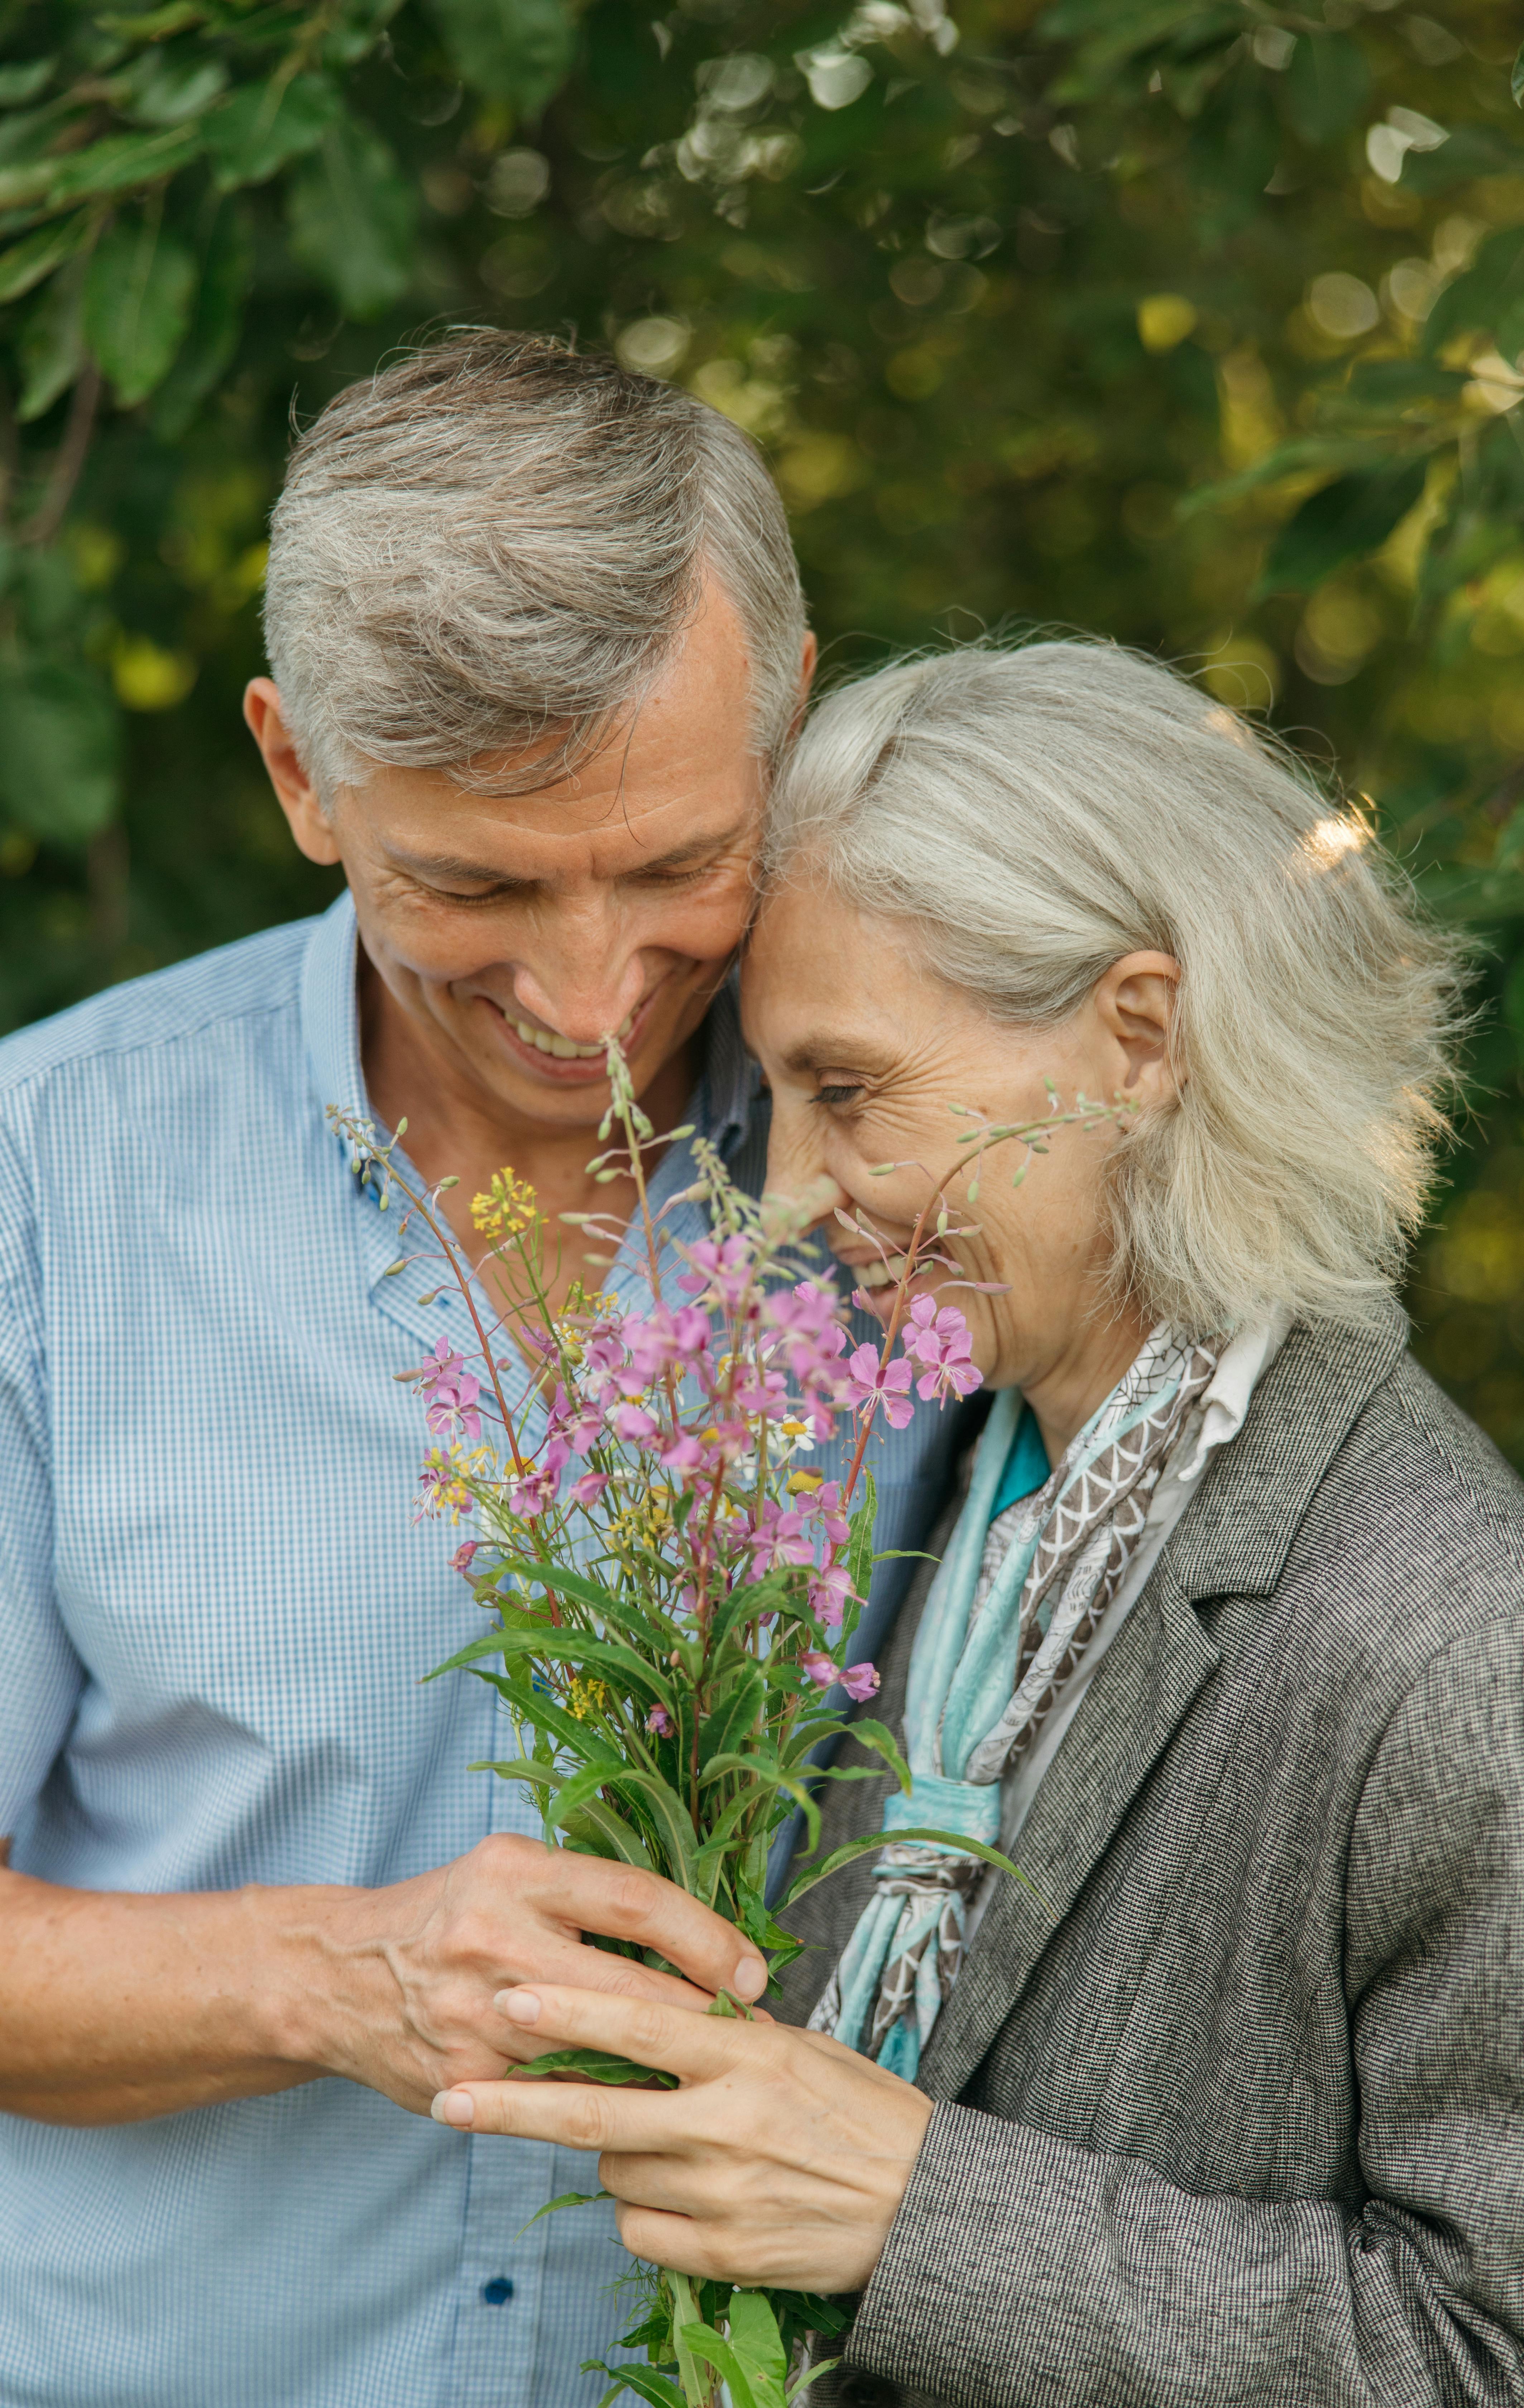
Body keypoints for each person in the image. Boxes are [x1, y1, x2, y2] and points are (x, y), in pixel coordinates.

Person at [436, 640, 1524, 2408]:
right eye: (778, 1104)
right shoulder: (935, 1489)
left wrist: (919, 2216)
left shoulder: (1458, 1642)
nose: (792, 1198)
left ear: (1136, 1041)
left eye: (848, 1091)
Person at [0, 335, 955, 2408]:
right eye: (475, 885)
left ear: (787, 720)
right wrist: (324, 1976)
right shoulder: (42, 1187)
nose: (592, 989)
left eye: (680, 864)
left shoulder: (965, 1183)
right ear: (294, 774)